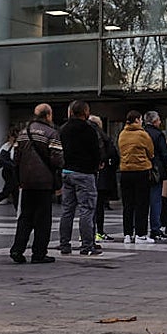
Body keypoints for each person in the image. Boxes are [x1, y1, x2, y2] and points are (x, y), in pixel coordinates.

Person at [9, 104, 63, 263]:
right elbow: (57, 159)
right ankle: (39, 253)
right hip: (44, 183)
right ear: (48, 115)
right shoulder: (52, 133)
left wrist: (20, 178)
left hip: (26, 182)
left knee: (25, 217)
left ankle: (17, 250)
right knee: (43, 219)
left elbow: (16, 159)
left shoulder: (23, 133)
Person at [58, 99, 102, 256]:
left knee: (67, 210)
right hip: (84, 173)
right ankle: (87, 245)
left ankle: (64, 244)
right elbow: (96, 151)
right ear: (85, 112)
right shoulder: (88, 130)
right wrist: (97, 164)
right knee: (86, 209)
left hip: (67, 171)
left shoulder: (63, 129)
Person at [117, 110, 155, 244]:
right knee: (142, 204)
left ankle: (127, 234)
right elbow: (151, 152)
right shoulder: (143, 134)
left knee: (128, 205)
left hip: (125, 171)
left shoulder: (122, 134)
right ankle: (141, 234)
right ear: (137, 120)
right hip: (141, 171)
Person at [143, 110, 167, 240]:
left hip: (141, 170)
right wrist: (164, 166)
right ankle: (155, 229)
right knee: (156, 201)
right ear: (154, 121)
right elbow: (164, 154)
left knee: (142, 202)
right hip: (155, 170)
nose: (160, 122)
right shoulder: (158, 135)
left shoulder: (141, 133)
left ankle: (140, 230)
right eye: (159, 120)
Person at [93, 115, 119, 241]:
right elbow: (113, 156)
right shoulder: (104, 137)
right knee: (99, 206)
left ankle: (87, 233)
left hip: (84, 174)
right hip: (102, 176)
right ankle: (99, 232)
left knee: (86, 207)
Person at [0, 127, 20, 208]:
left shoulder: (7, 145)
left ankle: (18, 211)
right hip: (11, 172)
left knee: (14, 192)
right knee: (9, 191)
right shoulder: (13, 146)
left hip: (8, 171)